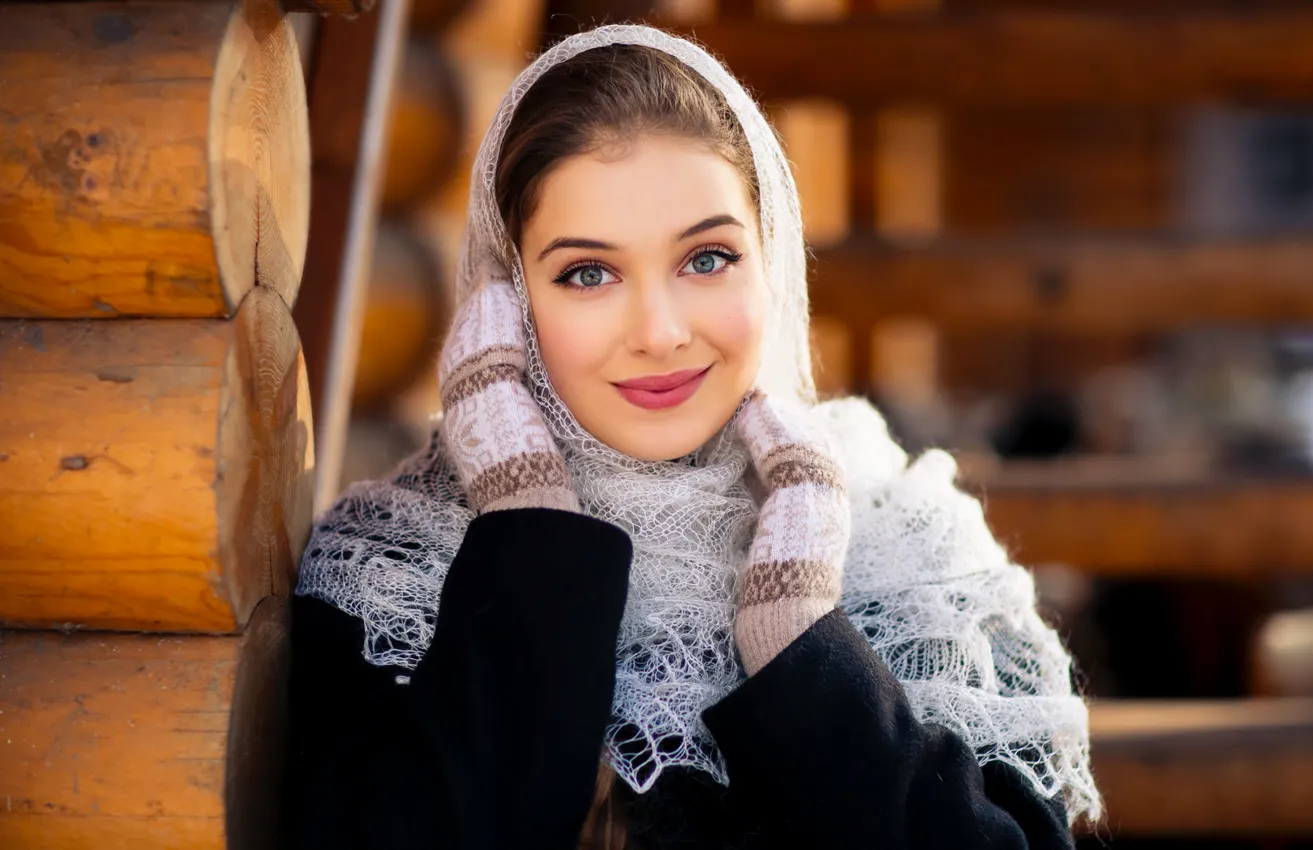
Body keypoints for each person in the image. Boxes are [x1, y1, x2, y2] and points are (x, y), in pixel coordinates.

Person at [284, 24, 1099, 850]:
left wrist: (801, 638)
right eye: (587, 274)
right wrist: (527, 522)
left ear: (770, 261)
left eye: (706, 258)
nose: (661, 330)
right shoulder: (384, 579)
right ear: (506, 303)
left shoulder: (917, 554)